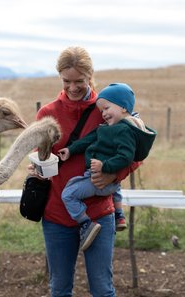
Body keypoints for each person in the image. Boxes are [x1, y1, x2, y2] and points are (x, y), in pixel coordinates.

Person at [29, 46, 138, 297]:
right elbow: (40, 154)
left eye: (80, 81)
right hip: (57, 214)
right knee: (59, 289)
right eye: (67, 81)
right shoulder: (47, 114)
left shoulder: (108, 109)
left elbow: (136, 155)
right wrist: (37, 168)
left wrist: (114, 175)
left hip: (99, 213)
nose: (73, 87)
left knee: (102, 289)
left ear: (90, 76)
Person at [58, 83, 156, 251]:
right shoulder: (108, 128)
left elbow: (126, 157)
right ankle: (119, 215)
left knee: (68, 194)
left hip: (99, 181)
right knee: (112, 188)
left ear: (124, 107)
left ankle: (85, 223)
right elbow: (89, 139)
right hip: (111, 185)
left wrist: (105, 167)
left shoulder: (125, 131)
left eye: (106, 108)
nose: (103, 114)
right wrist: (70, 150)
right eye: (101, 110)